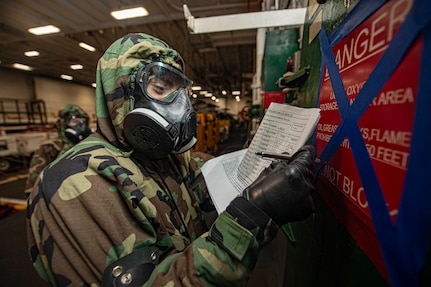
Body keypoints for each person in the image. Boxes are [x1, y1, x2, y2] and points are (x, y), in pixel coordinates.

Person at [26, 33, 317, 287]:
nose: (180, 106)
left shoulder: (166, 157)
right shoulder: (75, 182)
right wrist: (251, 217)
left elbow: (204, 183)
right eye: (160, 88)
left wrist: (265, 166)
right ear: (123, 94)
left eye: (180, 91)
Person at [25, 104, 91, 194]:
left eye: (83, 122)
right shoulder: (49, 148)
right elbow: (33, 185)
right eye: (75, 121)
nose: (80, 125)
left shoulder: (89, 144)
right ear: (63, 124)